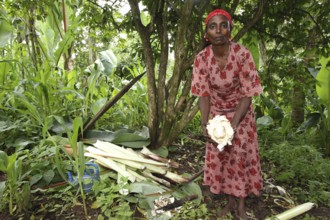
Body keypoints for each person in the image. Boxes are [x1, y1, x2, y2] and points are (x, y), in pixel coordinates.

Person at [190, 9, 263, 219]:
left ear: (230, 30)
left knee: (239, 158)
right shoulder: (202, 59)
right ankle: (230, 202)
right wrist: (206, 124)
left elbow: (248, 94)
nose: (218, 30)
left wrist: (233, 124)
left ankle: (240, 206)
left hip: (241, 114)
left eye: (223, 25)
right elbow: (203, 95)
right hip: (216, 117)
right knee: (222, 159)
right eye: (213, 26)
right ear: (206, 33)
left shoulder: (242, 54)